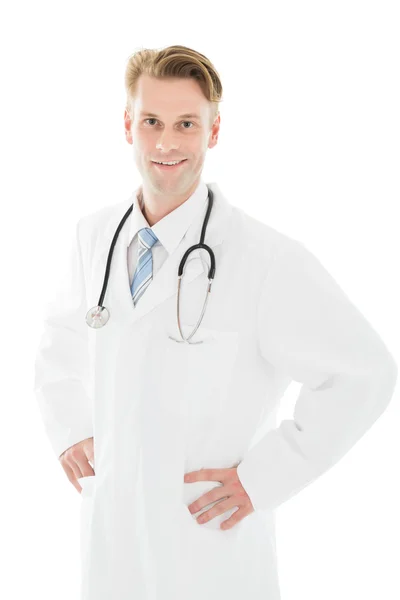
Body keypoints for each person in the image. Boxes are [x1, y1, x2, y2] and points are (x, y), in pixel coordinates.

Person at [33, 44, 398, 600]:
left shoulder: (265, 258)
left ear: (214, 131)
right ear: (128, 123)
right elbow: (60, 339)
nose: (166, 142)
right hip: (112, 540)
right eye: (151, 121)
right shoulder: (94, 237)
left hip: (208, 546)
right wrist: (68, 429)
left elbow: (365, 372)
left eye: (187, 124)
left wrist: (265, 478)